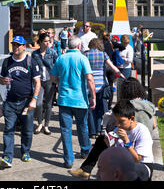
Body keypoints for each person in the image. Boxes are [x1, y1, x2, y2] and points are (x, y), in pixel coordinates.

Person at [68, 99, 154, 181]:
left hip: (143, 166)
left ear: (132, 118)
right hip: (126, 163)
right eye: (116, 121)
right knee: (102, 143)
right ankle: (86, 170)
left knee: (121, 171)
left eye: (121, 121)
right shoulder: (118, 129)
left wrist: (127, 141)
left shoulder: (142, 131)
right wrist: (109, 145)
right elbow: (118, 154)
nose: (118, 124)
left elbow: (137, 159)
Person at [50, 36, 96, 168]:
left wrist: (60, 82)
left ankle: (68, 160)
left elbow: (52, 77)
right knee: (82, 126)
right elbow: (90, 79)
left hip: (64, 99)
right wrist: (93, 97)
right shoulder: (82, 58)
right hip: (80, 99)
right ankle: (85, 149)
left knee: (65, 130)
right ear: (79, 46)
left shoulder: (61, 58)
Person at [0, 36, 41, 168]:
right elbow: (0, 79)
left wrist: (34, 100)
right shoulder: (7, 62)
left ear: (24, 47)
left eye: (18, 45)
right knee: (8, 130)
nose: (15, 47)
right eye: (14, 45)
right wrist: (3, 81)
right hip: (10, 102)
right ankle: (7, 157)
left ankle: (25, 151)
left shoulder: (31, 61)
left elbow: (37, 82)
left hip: (26, 102)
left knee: (27, 130)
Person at [85, 38, 125, 137]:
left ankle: (92, 131)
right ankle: (99, 130)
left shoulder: (85, 54)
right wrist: (120, 74)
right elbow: (112, 66)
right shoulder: (103, 54)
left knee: (90, 109)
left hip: (89, 85)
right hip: (101, 85)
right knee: (99, 109)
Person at [31, 33, 58, 135]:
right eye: (45, 41)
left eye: (48, 41)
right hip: (39, 81)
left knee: (48, 104)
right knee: (38, 103)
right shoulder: (35, 54)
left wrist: (57, 78)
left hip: (50, 81)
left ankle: (46, 125)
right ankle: (39, 123)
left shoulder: (52, 52)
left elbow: (58, 64)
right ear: (40, 42)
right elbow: (32, 68)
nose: (47, 43)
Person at [98, 31, 115, 109]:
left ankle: (103, 101)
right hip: (111, 65)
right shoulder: (110, 43)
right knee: (111, 84)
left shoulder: (100, 44)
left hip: (104, 65)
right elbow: (122, 47)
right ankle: (110, 103)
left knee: (103, 85)